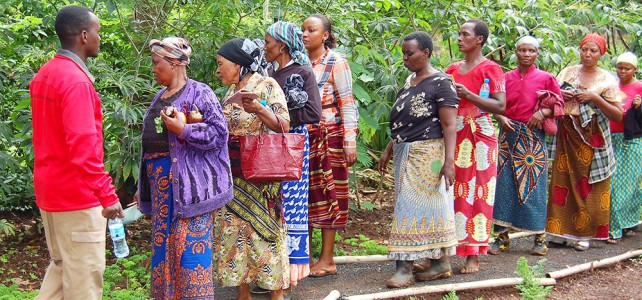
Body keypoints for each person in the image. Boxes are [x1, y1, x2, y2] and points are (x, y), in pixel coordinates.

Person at [29, 6, 124, 299]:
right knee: (83, 281)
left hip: (51, 194)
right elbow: (84, 149)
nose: (99, 37)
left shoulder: (46, 73)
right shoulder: (75, 82)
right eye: (97, 31)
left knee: (61, 271)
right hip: (76, 199)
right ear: (84, 36)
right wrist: (106, 195)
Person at [135, 36, 233, 299]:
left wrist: (185, 130)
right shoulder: (160, 96)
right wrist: (142, 186)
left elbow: (219, 134)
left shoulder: (200, 92)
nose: (154, 69)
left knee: (191, 257)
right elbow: (150, 146)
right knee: (163, 256)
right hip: (162, 194)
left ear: (175, 63)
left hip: (192, 192)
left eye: (157, 63)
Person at [377, 31, 459, 288]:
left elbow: (449, 126)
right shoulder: (409, 81)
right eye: (403, 53)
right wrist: (390, 148)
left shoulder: (442, 83)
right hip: (405, 151)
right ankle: (439, 263)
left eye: (410, 53)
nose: (405, 58)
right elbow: (405, 121)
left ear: (426, 53)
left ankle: (405, 268)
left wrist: (449, 162)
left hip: (428, 153)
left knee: (412, 207)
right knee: (426, 206)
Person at [214, 38, 290, 300]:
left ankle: (276, 294)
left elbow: (284, 126)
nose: (218, 70)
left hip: (261, 176)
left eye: (221, 64)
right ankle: (242, 292)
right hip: (232, 175)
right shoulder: (230, 91)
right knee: (234, 232)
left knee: (265, 232)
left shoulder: (266, 84)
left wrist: (258, 108)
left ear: (238, 64)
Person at [545, 33, 623, 251]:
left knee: (589, 184)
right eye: (584, 49)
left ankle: (584, 234)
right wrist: (562, 95)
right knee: (562, 180)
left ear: (601, 54)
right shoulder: (567, 72)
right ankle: (559, 232)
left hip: (593, 138)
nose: (588, 54)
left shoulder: (606, 79)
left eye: (593, 51)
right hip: (567, 133)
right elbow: (552, 97)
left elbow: (617, 114)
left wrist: (595, 98)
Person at [490, 36, 564, 256]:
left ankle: (540, 239)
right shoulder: (505, 78)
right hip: (508, 135)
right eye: (522, 50)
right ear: (516, 52)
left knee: (534, 186)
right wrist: (499, 117)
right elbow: (492, 102)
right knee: (504, 186)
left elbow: (560, 105)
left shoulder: (546, 78)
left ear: (537, 54)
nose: (526, 54)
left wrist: (543, 112)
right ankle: (501, 239)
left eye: (531, 51)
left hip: (533, 137)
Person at [445, 19, 506, 274]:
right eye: (458, 33)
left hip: (480, 132)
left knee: (480, 190)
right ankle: (445, 250)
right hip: (453, 133)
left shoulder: (492, 69)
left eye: (465, 34)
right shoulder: (452, 69)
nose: (459, 38)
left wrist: (468, 95)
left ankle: (474, 255)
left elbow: (500, 106)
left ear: (479, 39)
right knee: (453, 192)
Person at [264, 21, 322, 287]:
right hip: (269, 147)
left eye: (268, 43)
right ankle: (272, 271)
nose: (265, 47)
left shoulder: (303, 73)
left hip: (293, 146)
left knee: (293, 204)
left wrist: (280, 120)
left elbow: (313, 113)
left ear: (282, 46)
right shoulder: (269, 75)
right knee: (273, 204)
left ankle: (292, 274)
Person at [302, 13, 359, 278]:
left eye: (311, 30)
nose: (305, 34)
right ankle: (306, 257)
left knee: (330, 194)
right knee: (306, 196)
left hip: (331, 135)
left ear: (324, 35)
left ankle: (327, 259)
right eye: (303, 30)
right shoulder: (299, 62)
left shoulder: (337, 62)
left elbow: (347, 102)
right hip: (304, 137)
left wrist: (350, 142)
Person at [607, 52, 642, 243]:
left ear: (634, 69)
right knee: (613, 185)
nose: (622, 71)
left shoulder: (639, 88)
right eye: (620, 67)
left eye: (627, 68)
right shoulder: (612, 86)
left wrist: (640, 106)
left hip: (632, 141)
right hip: (611, 140)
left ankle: (617, 229)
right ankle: (621, 224)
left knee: (625, 186)